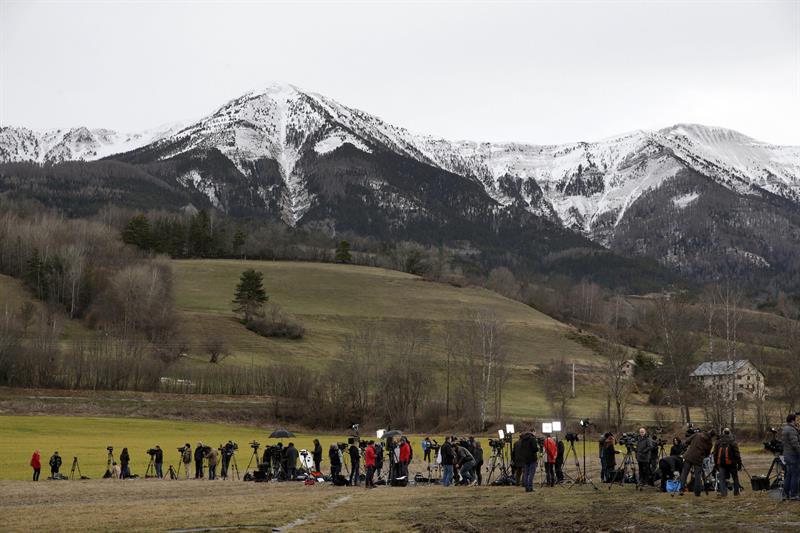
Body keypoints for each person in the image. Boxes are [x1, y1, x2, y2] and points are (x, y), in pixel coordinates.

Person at [679, 429, 714, 497]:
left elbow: (687, 441)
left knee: (684, 473)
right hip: (698, 459)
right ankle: (697, 492)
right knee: (698, 475)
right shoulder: (710, 443)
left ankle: (681, 489)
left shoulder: (697, 434)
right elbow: (707, 453)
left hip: (689, 456)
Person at [713, 428, 742, 497]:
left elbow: (715, 454)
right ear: (729, 433)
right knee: (735, 478)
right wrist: (739, 464)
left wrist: (716, 464)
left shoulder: (718, 442)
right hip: (732, 464)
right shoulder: (733, 441)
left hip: (721, 464)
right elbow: (737, 454)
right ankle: (736, 493)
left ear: (723, 433)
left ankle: (723, 494)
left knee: (722, 479)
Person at [781, 413, 800, 501]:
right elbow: (795, 444)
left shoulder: (785, 429)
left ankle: (785, 494)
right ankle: (794, 494)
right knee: (795, 475)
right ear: (792, 420)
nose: (797, 421)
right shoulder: (792, 430)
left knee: (788, 475)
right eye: (796, 420)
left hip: (787, 455)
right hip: (793, 456)